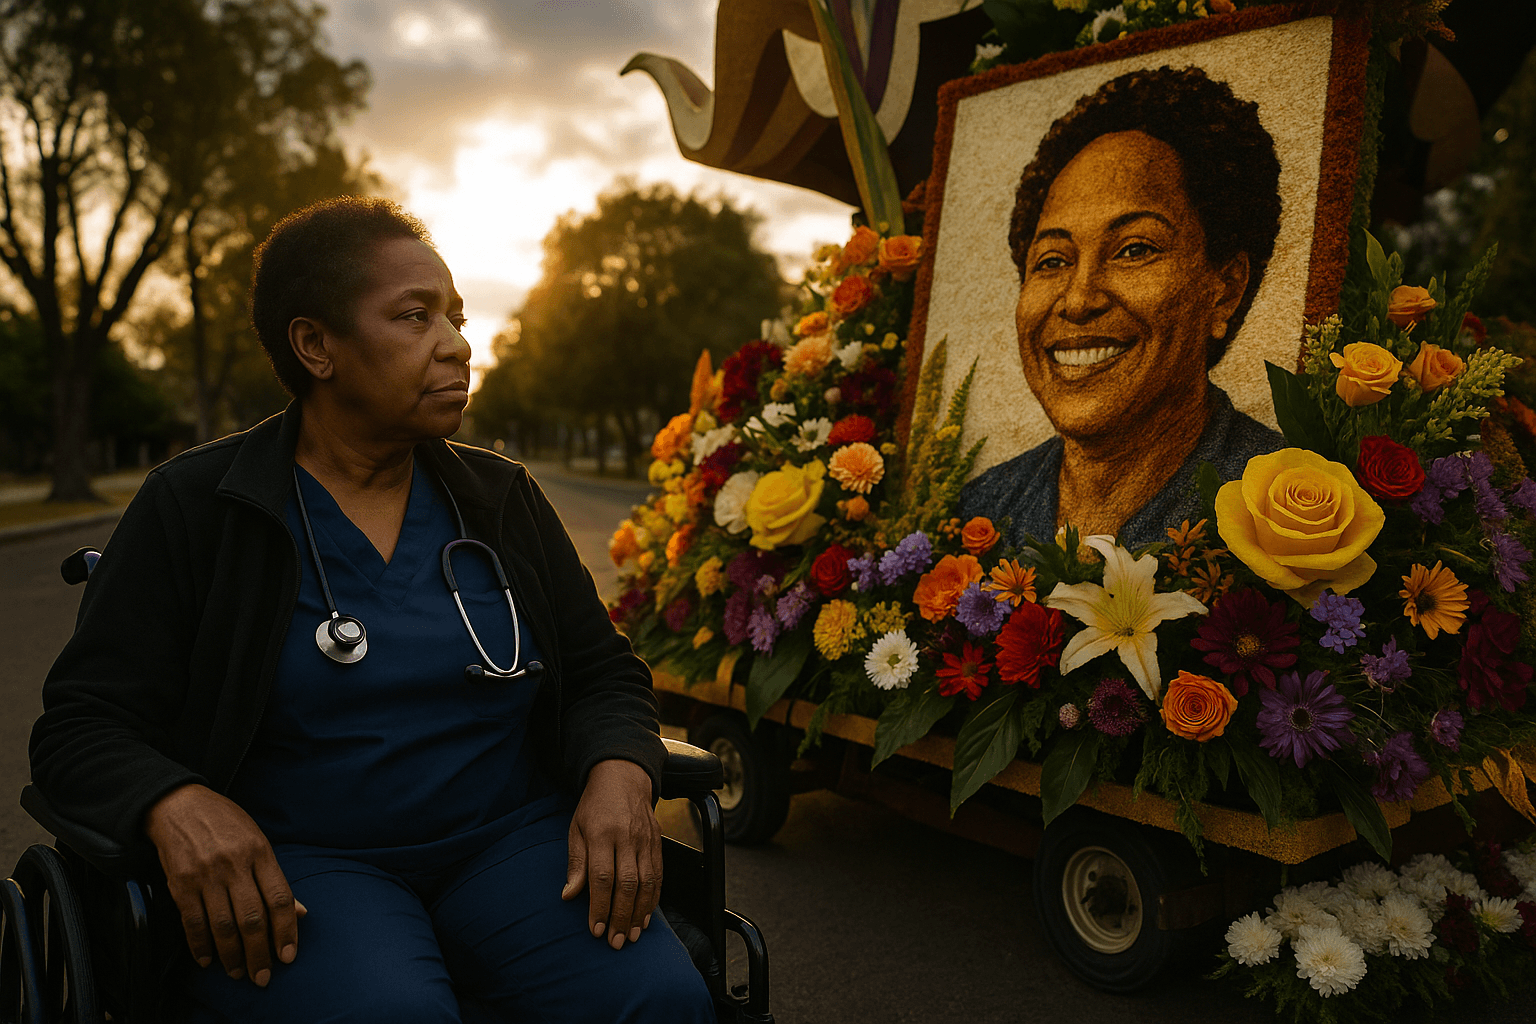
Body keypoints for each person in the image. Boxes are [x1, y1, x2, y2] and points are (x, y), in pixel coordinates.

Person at [28, 198, 715, 1023]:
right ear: (316, 346)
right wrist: (173, 802)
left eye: (457, 316)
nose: (457, 344)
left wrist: (619, 773)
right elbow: (81, 725)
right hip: (305, 864)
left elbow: (604, 671)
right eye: (414, 316)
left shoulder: (500, 498)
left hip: (512, 846)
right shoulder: (198, 508)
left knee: (661, 1001)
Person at [959, 65, 1286, 548]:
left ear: (1225, 289)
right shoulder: (978, 515)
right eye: (1052, 260)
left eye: (1134, 249)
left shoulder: (1285, 518)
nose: (1078, 299)